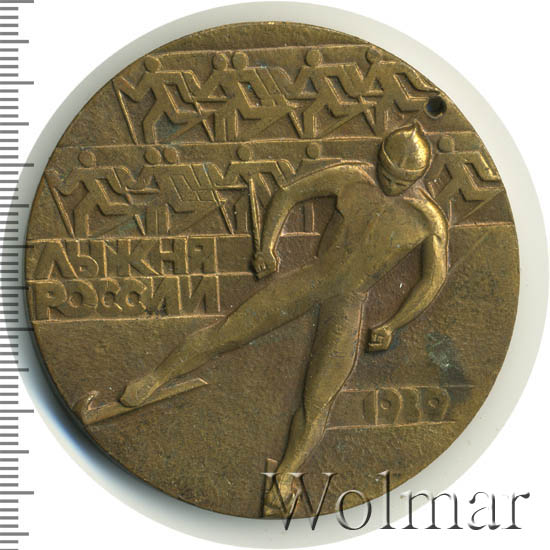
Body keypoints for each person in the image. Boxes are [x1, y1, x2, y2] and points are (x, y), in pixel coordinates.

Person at [120, 122, 449, 516]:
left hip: (349, 303)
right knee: (228, 332)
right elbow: (288, 193)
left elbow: (433, 278)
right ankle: (155, 378)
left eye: (401, 179)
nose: (391, 184)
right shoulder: (351, 178)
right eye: (387, 173)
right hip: (312, 279)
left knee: (319, 396)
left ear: (418, 176)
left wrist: (395, 323)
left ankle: (286, 476)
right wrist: (266, 247)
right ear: (379, 160)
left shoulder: (426, 219)